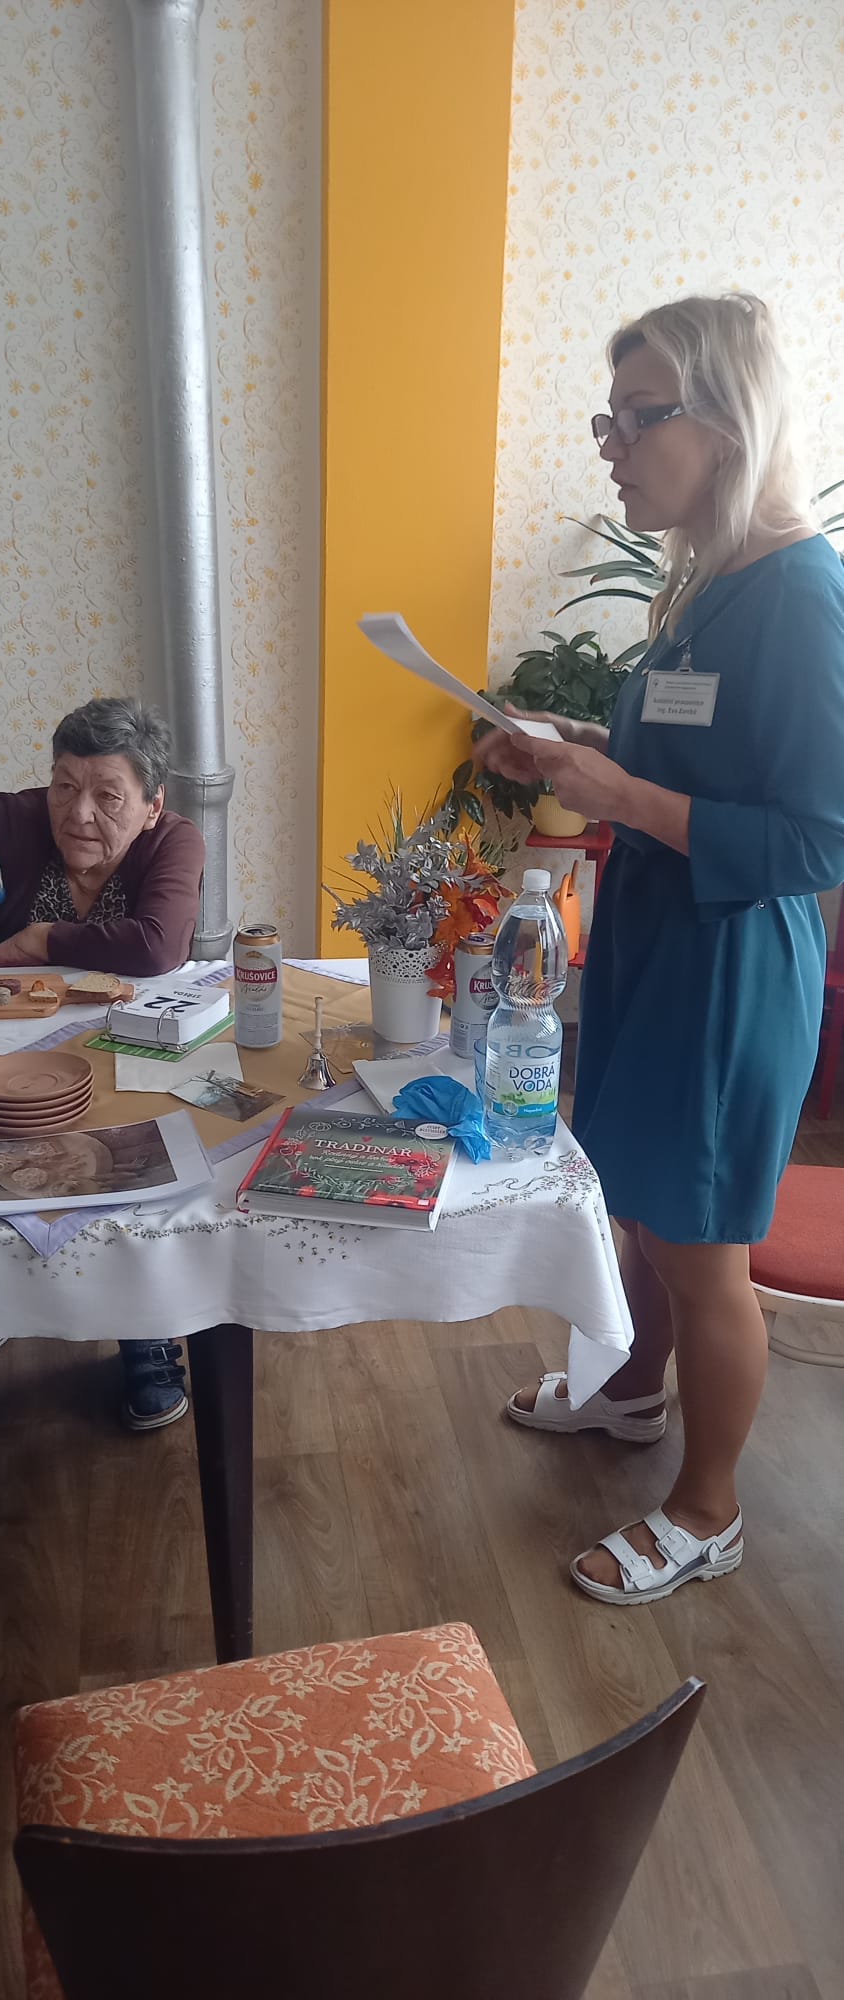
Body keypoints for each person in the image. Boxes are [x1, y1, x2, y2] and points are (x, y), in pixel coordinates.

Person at [477, 293, 844, 1605]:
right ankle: (632, 1391)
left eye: (640, 418)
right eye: (609, 420)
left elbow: (817, 837)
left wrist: (620, 793)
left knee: (703, 1246)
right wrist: (572, 749)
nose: (613, 448)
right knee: (638, 1196)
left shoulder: (801, 595)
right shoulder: (704, 585)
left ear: (728, 423)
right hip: (655, 942)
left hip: (728, 969)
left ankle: (708, 1507)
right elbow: (686, 757)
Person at [0, 696, 204, 1430]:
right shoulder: (11, 827)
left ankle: (145, 1333)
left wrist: (39, 939)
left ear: (151, 805)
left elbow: (156, 946)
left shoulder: (171, 842)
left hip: (124, 1046)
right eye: (65, 785)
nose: (78, 813)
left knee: (132, 1161)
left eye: (107, 795)